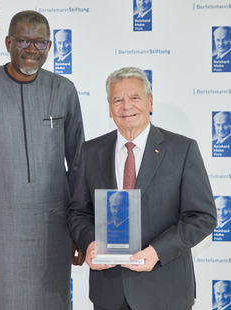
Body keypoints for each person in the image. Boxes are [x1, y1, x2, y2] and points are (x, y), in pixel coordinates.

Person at [0, 10, 84, 310]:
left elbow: (79, 166)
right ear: (8, 42)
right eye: (23, 41)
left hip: (53, 234)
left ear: (49, 47)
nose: (32, 50)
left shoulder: (64, 90)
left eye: (40, 43)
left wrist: (80, 230)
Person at [67, 67, 217, 310]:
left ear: (150, 101)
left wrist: (157, 252)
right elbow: (78, 212)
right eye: (118, 99)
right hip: (109, 293)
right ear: (109, 108)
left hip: (165, 290)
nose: (126, 106)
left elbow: (203, 217)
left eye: (135, 97)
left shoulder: (182, 149)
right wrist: (89, 243)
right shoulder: (91, 152)